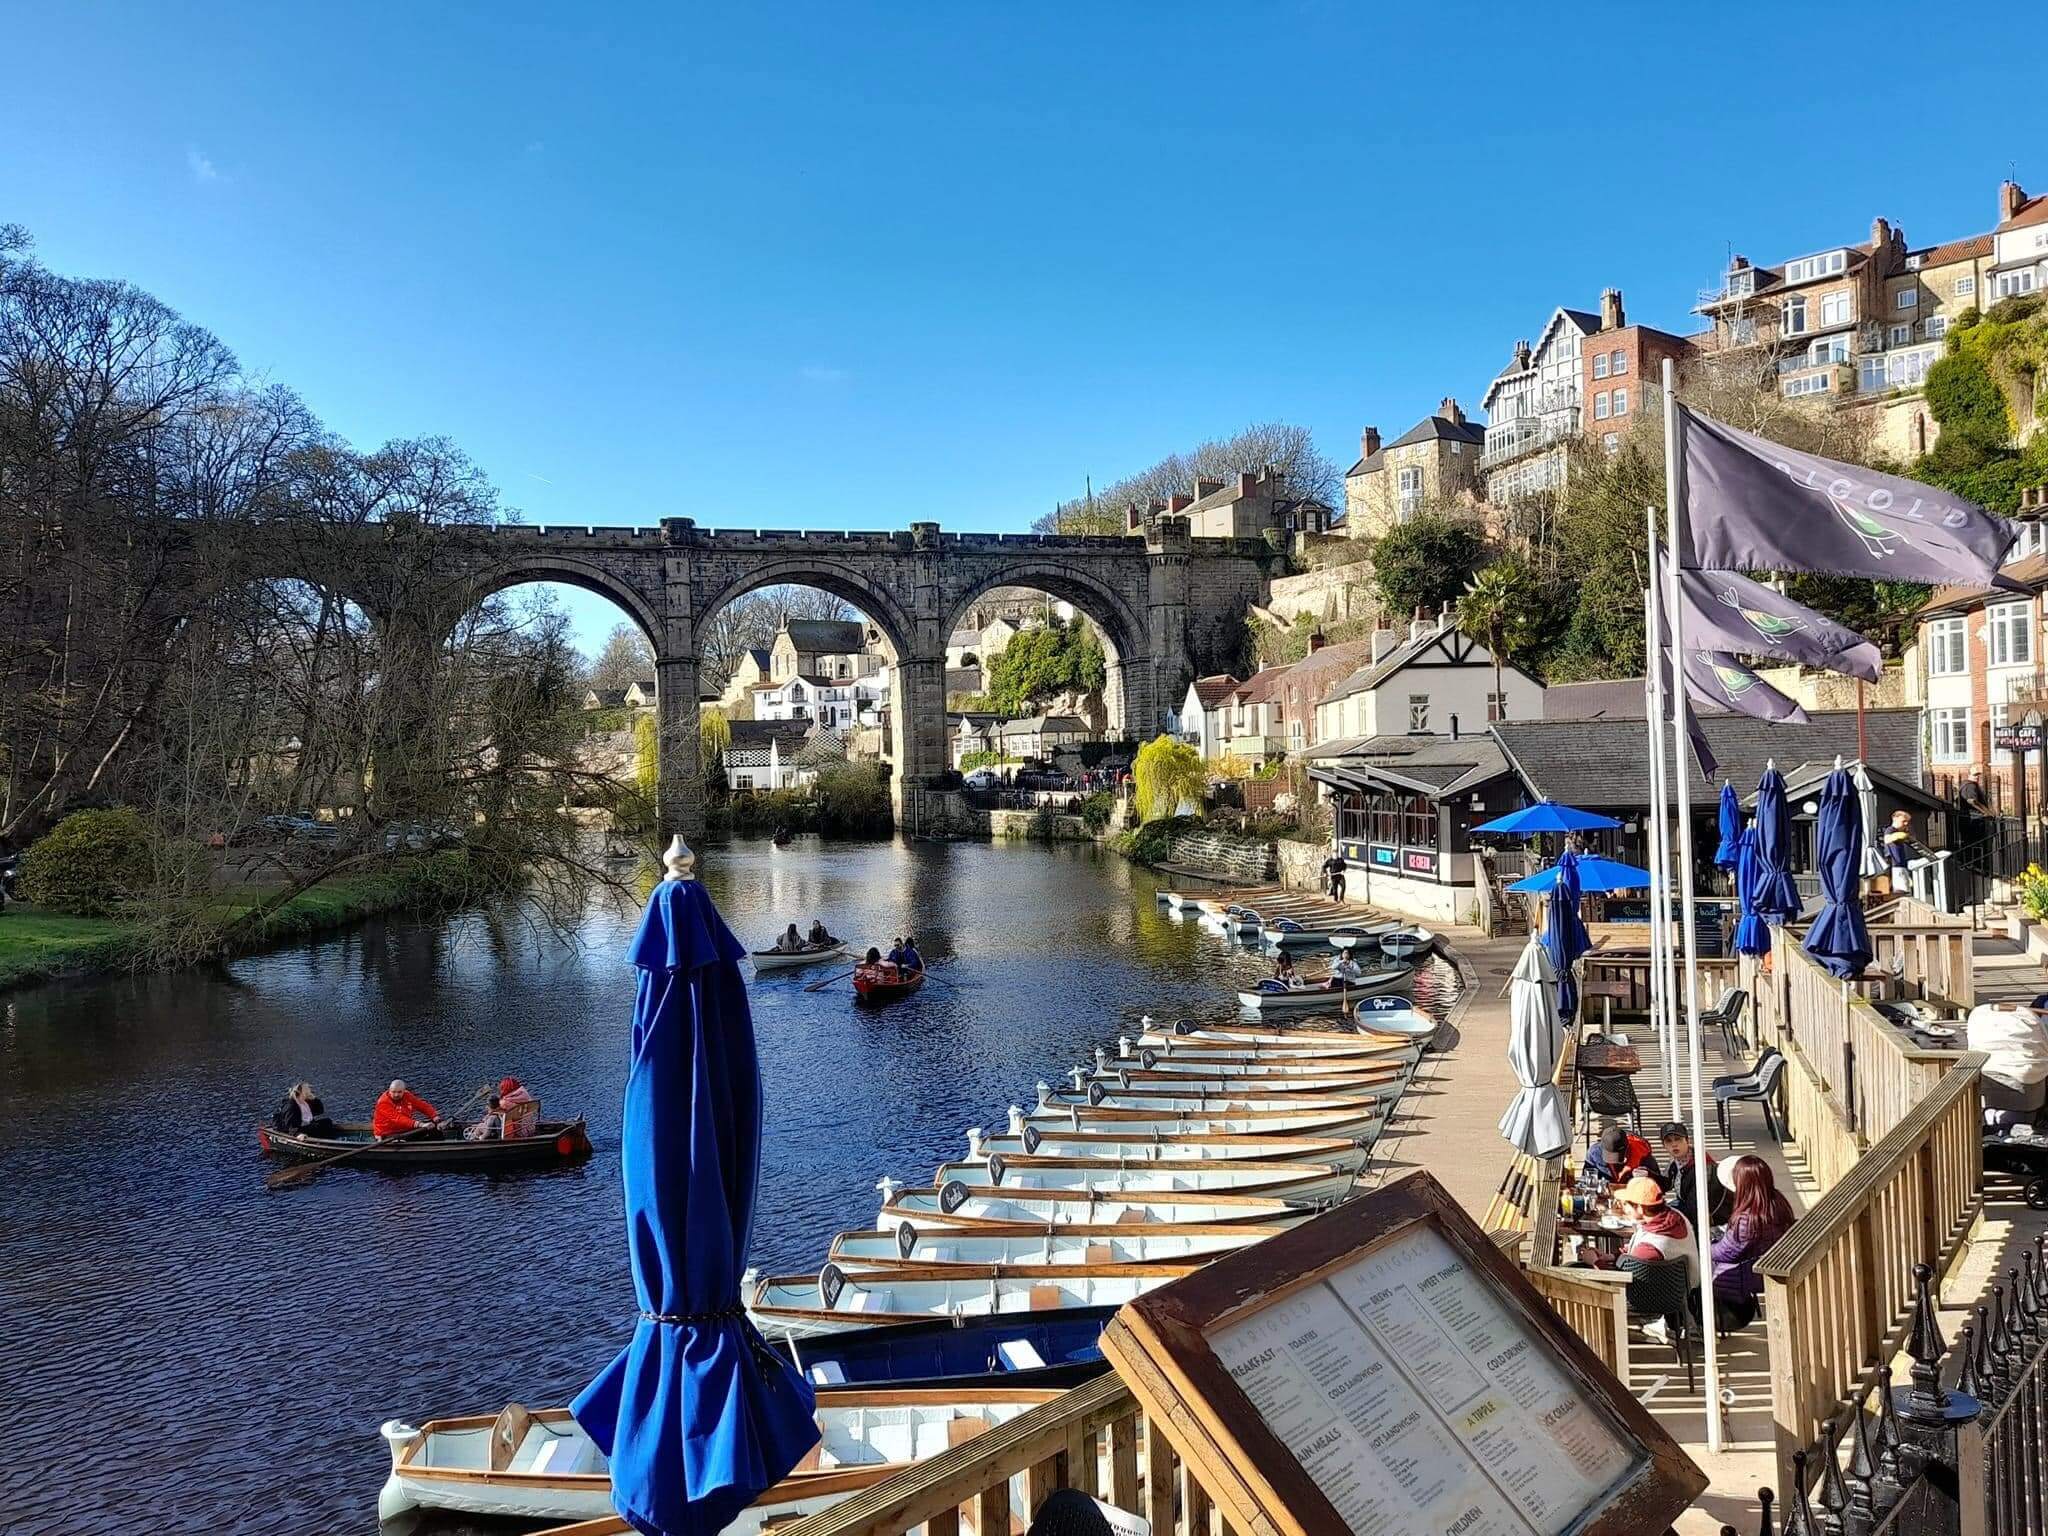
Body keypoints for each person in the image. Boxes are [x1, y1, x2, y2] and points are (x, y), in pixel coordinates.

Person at [1707, 1155, 1795, 1331]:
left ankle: (1709, 1321)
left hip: (1750, 1274)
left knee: (1704, 1266)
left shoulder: (1748, 1218)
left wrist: (1705, 1246)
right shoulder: (1777, 1201)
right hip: (1767, 1264)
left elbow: (1726, 1253)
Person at [1657, 1121, 1734, 1228]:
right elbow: (1664, 1183)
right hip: (1687, 1205)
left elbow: (1696, 1209)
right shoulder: (1676, 1161)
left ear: (1687, 1141)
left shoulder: (1702, 1166)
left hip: (1713, 1217)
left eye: (1678, 1139)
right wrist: (1648, 1176)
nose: (1674, 1144)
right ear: (1664, 1146)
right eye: (1669, 1141)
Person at [1584, 1120, 1657, 1186]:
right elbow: (1586, 1179)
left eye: (1618, 1155)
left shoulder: (1642, 1154)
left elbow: (1658, 1183)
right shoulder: (1594, 1153)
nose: (1614, 1161)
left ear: (1627, 1147)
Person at [371, 1079, 441, 1140]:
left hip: (405, 1129)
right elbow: (398, 1118)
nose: (396, 1095)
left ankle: (439, 1147)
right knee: (401, 1141)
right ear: (389, 1090)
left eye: (399, 1092)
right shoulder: (383, 1102)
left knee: (433, 1127)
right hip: (387, 1133)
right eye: (393, 1092)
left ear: (404, 1091)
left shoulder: (407, 1095)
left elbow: (422, 1105)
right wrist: (420, 1124)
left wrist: (434, 1116)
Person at [272, 1081, 339, 1138]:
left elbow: (320, 1110)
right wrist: (298, 1134)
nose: (309, 1090)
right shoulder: (291, 1106)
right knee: (318, 1127)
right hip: (296, 1129)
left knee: (327, 1122)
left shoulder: (306, 1101)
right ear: (301, 1092)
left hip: (306, 1125)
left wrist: (314, 1098)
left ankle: (331, 1139)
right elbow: (290, 1124)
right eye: (307, 1089)